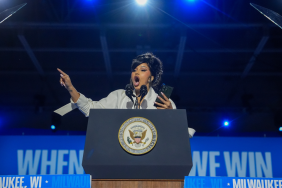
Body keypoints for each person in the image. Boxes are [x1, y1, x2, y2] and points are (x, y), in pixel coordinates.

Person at [54, 52, 195, 137]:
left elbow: (180, 137)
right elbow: (90, 109)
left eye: (142, 69)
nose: (136, 72)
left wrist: (172, 116)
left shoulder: (164, 102)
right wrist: (70, 87)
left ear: (151, 78)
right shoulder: (118, 97)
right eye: (134, 70)